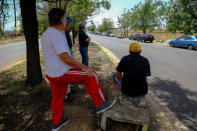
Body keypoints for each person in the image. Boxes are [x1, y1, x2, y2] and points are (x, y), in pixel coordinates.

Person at [41, 8, 115, 131]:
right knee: (91, 74)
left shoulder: (47, 33)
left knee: (57, 98)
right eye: (65, 18)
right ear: (61, 20)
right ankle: (100, 104)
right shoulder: (56, 34)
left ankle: (56, 122)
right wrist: (83, 66)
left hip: (52, 73)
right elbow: (64, 56)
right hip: (62, 72)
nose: (66, 21)